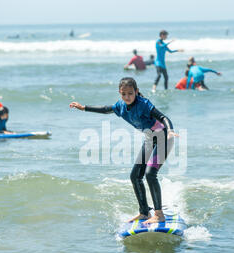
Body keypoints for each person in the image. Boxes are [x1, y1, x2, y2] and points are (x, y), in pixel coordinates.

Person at [69, 77, 179, 224]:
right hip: (149, 139)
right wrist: (84, 107)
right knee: (135, 176)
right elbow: (106, 109)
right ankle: (144, 212)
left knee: (150, 174)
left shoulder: (144, 104)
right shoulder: (120, 106)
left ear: (136, 92)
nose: (127, 97)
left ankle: (159, 215)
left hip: (164, 137)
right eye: (124, 94)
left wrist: (170, 130)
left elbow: (163, 117)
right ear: (120, 93)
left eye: (130, 93)